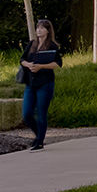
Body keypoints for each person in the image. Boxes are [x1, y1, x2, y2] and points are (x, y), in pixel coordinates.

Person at [19, 19, 62, 151]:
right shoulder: (32, 44)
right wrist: (28, 65)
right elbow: (22, 59)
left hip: (45, 83)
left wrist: (41, 67)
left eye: (42, 28)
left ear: (48, 31)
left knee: (41, 113)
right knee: (26, 114)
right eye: (38, 28)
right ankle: (39, 136)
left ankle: (40, 142)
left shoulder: (53, 46)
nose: (39, 30)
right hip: (30, 84)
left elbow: (57, 64)